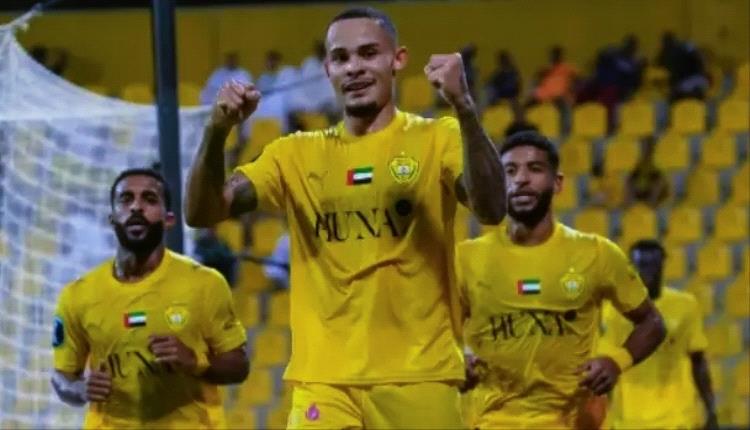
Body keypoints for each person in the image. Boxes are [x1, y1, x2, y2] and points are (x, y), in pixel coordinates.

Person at [185, 6, 505, 428]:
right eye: (341, 58)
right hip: (324, 383)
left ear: (398, 59)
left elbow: (492, 208)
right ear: (327, 70)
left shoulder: (436, 137)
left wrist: (464, 107)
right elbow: (203, 211)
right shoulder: (294, 154)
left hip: (420, 376)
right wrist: (216, 131)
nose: (354, 67)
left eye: (369, 53)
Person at [457, 131, 666, 429]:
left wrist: (616, 361)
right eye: (510, 171)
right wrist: (456, 359)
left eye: (535, 169)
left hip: (571, 422)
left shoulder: (596, 253)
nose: (521, 179)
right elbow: (434, 329)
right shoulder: (467, 258)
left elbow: (652, 322)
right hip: (491, 422)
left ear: (557, 183)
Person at [51, 168, 249, 428]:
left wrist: (195, 362)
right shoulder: (78, 295)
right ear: (112, 218)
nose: (136, 207)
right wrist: (79, 389)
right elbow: (62, 376)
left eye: (149, 199)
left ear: (169, 219)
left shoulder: (205, 283)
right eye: (126, 199)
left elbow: (239, 366)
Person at [600, 240, 718, 430]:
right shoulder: (612, 311)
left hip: (677, 420)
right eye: (641, 264)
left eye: (653, 264)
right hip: (629, 421)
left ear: (662, 265)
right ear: (631, 267)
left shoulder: (685, 305)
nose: (647, 271)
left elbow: (698, 361)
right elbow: (606, 367)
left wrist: (710, 409)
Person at [625, 136, 669, 208]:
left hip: (655, 193)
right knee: (629, 181)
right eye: (642, 147)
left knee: (657, 183)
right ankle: (630, 206)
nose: (642, 149)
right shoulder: (638, 162)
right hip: (641, 190)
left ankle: (651, 206)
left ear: (651, 148)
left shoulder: (657, 161)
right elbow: (631, 177)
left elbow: (660, 179)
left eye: (645, 147)